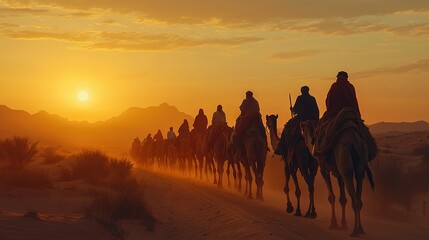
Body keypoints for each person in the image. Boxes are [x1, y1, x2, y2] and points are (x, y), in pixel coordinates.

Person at [275, 86, 319, 155]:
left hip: (300, 119)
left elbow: (295, 111)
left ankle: (281, 148)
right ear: (308, 91)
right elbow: (316, 111)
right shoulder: (312, 99)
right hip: (312, 120)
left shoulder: (300, 98)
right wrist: (316, 120)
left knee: (287, 128)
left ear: (302, 91)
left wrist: (292, 109)